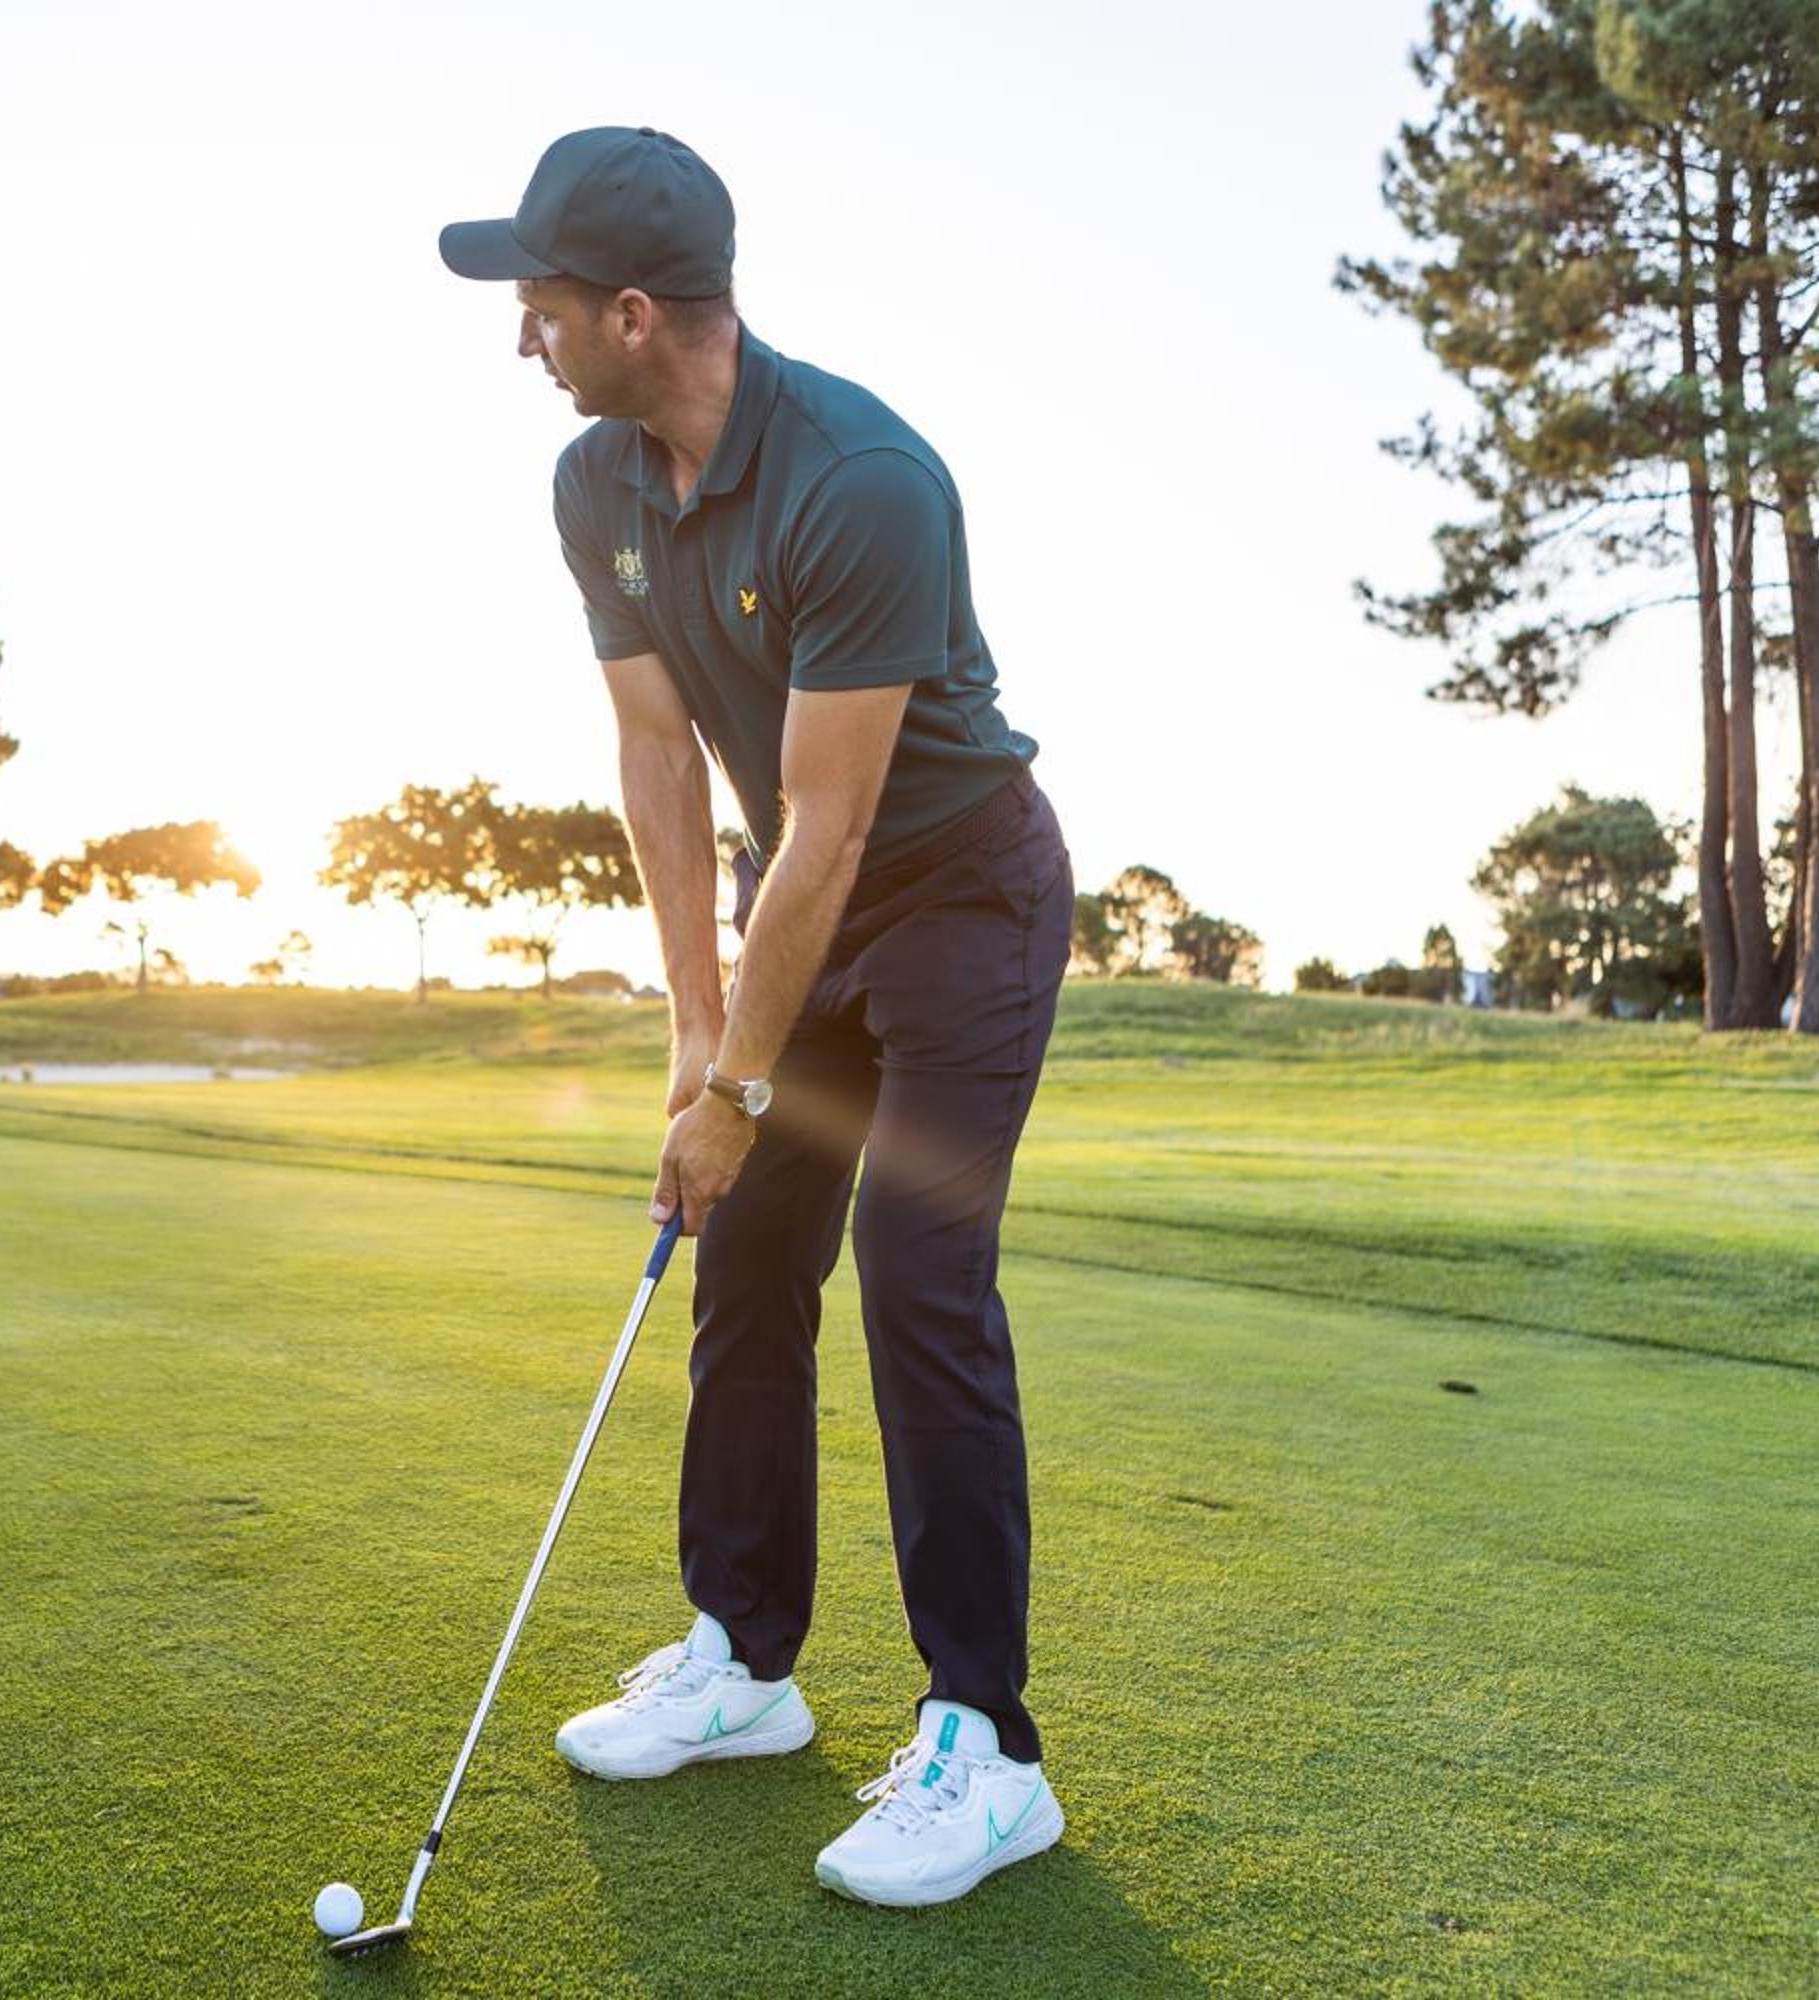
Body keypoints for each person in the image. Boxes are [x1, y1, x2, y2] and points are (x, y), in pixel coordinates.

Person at [438, 126, 1078, 1911]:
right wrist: (692, 1036)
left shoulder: (864, 481)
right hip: (799, 899)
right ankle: (744, 1660)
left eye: (543, 304)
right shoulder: (595, 482)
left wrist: (736, 1089)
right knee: (748, 1259)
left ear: (636, 313)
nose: (522, 335)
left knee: (920, 1277)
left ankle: (987, 1748)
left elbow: (834, 822)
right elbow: (658, 756)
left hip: (959, 894)